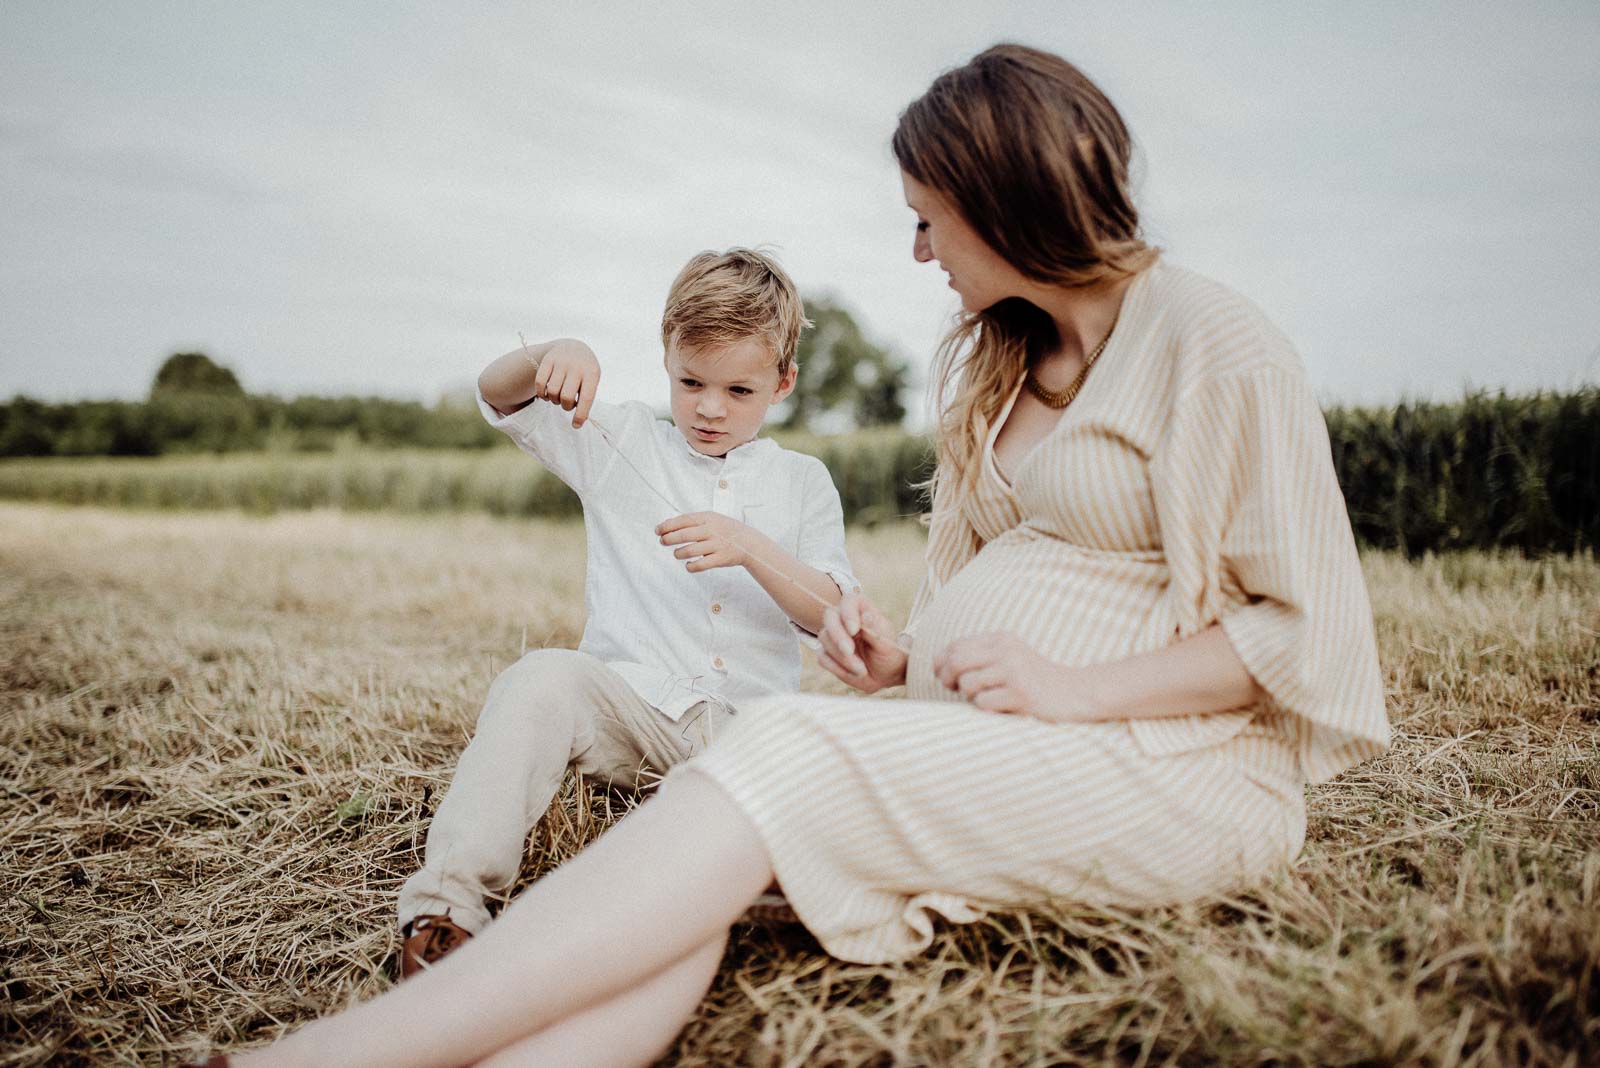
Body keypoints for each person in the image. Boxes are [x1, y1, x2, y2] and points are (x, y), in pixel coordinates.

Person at [194, 43, 1388, 1068]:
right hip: (986, 737)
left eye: (927, 216)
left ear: (1003, 198)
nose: (918, 249)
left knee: (772, 753)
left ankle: (320, 1059)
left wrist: (1076, 690)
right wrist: (904, 661)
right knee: (686, 896)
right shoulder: (1000, 368)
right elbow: (999, 614)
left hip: (1163, 767)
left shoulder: (1215, 343)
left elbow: (1304, 632)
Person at [394, 247, 859, 976]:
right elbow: (500, 395)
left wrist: (750, 547)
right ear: (666, 359)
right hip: (634, 711)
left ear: (784, 383)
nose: (710, 407)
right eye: (690, 381)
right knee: (544, 676)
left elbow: (833, 613)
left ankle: (757, 898)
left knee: (800, 802)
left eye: (739, 390)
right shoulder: (620, 441)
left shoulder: (803, 482)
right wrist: (554, 352)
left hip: (751, 739)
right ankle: (444, 912)